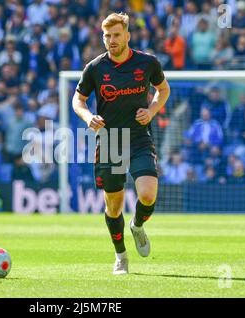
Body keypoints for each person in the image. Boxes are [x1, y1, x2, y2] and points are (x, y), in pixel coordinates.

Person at [72, 13, 170, 275]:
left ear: (127, 35)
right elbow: (77, 101)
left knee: (148, 194)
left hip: (138, 137)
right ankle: (121, 256)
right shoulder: (95, 68)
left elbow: (163, 90)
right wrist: (88, 116)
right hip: (110, 141)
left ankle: (137, 225)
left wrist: (151, 111)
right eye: (107, 35)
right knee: (113, 206)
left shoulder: (148, 63)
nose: (111, 40)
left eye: (116, 35)